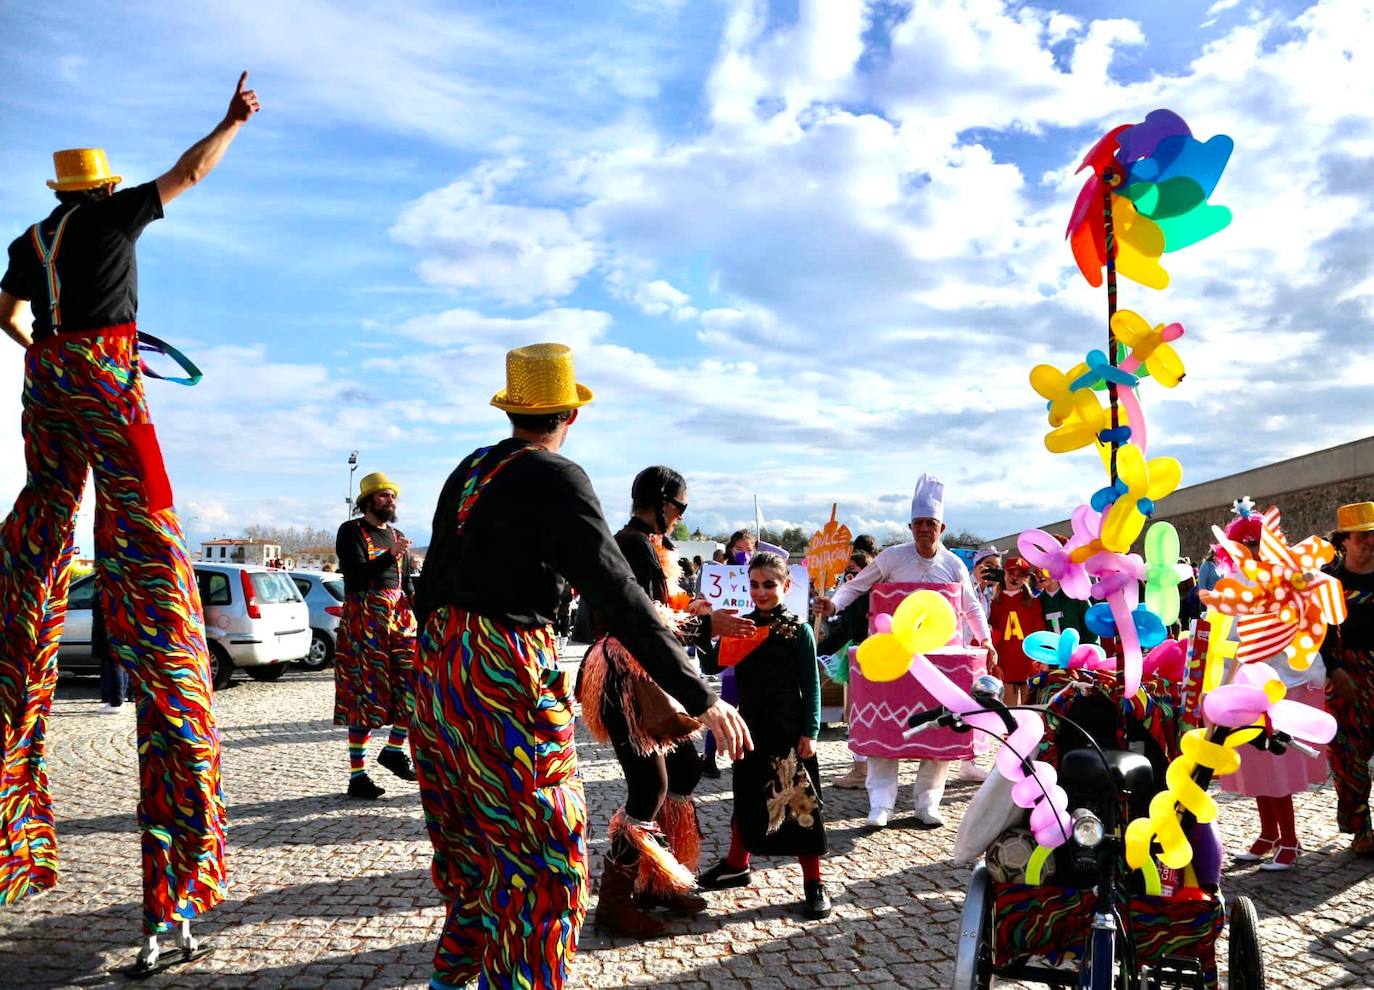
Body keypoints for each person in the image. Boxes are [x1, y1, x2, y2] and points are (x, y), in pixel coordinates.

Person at [0, 73, 259, 971]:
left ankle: (30, 590)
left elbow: (7, 314)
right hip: (109, 383)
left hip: (50, 383)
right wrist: (229, 121)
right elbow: (190, 173)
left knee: (40, 522)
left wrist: (43, 351)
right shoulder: (115, 220)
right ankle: (174, 893)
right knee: (147, 535)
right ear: (104, 190)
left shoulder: (29, 239)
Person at [409, 343, 751, 990]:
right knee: (545, 864)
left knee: (475, 854)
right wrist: (698, 694)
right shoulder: (556, 476)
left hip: (439, 674)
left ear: (515, 408)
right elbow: (617, 594)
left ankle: (451, 982)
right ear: (570, 412)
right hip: (502, 666)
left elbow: (431, 588)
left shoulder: (470, 468)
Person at [577, 465, 755, 938]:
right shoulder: (632, 544)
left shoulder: (651, 546)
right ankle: (614, 905)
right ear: (658, 502)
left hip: (648, 675)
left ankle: (660, 881)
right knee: (648, 789)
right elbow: (641, 620)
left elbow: (661, 609)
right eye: (679, 506)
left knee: (684, 772)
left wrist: (692, 611)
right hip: (625, 677)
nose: (680, 516)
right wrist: (704, 625)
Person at [813, 474, 995, 827]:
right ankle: (881, 803)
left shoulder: (955, 564)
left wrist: (984, 639)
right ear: (910, 526)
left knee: (939, 730)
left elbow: (971, 607)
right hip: (894, 658)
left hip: (942, 664)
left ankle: (927, 803)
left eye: (931, 524)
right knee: (886, 730)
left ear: (942, 527)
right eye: (918, 524)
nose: (924, 530)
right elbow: (855, 587)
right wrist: (832, 606)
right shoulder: (892, 558)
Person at [698, 552, 831, 919]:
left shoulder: (798, 630)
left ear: (786, 586)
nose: (761, 592)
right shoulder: (740, 626)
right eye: (754, 584)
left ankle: (813, 881)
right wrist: (706, 624)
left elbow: (812, 685)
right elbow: (711, 663)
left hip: (789, 731)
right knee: (747, 796)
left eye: (769, 585)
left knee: (802, 806)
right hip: (750, 727)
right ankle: (736, 864)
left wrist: (811, 730)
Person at [334, 471, 418, 800]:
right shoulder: (351, 531)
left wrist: (420, 618)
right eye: (383, 496)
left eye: (392, 496)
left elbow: (406, 583)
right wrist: (391, 553)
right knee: (363, 694)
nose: (390, 501)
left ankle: (395, 749)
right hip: (364, 620)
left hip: (398, 618)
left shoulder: (396, 534)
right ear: (368, 501)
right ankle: (358, 776)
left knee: (415, 682)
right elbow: (354, 574)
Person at [1323, 501, 1374, 857]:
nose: (1370, 542)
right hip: (1343, 673)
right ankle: (1361, 830)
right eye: (1363, 536)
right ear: (1345, 540)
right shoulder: (1328, 580)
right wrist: (1334, 668)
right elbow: (1318, 631)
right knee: (1347, 753)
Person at [701, 528, 760, 778]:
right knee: (726, 705)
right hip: (732, 651)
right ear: (730, 549)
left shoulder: (760, 573)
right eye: (740, 550)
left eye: (750, 550)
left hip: (757, 648)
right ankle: (708, 757)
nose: (745, 556)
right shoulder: (720, 576)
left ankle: (751, 754)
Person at [819, 551, 873, 789]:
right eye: (847, 570)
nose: (849, 575)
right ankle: (864, 768)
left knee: (857, 713)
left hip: (863, 656)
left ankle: (862, 770)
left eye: (854, 569)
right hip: (868, 655)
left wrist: (816, 649)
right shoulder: (867, 593)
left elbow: (847, 629)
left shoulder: (862, 595)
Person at [988, 557, 1047, 707]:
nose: (1015, 577)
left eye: (1020, 574)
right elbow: (991, 635)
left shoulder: (1033, 603)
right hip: (1005, 666)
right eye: (1011, 573)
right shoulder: (994, 603)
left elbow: (1039, 632)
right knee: (1010, 713)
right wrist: (995, 664)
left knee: (1030, 712)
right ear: (1004, 574)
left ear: (1025, 579)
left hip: (1028, 665)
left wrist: (1040, 660)